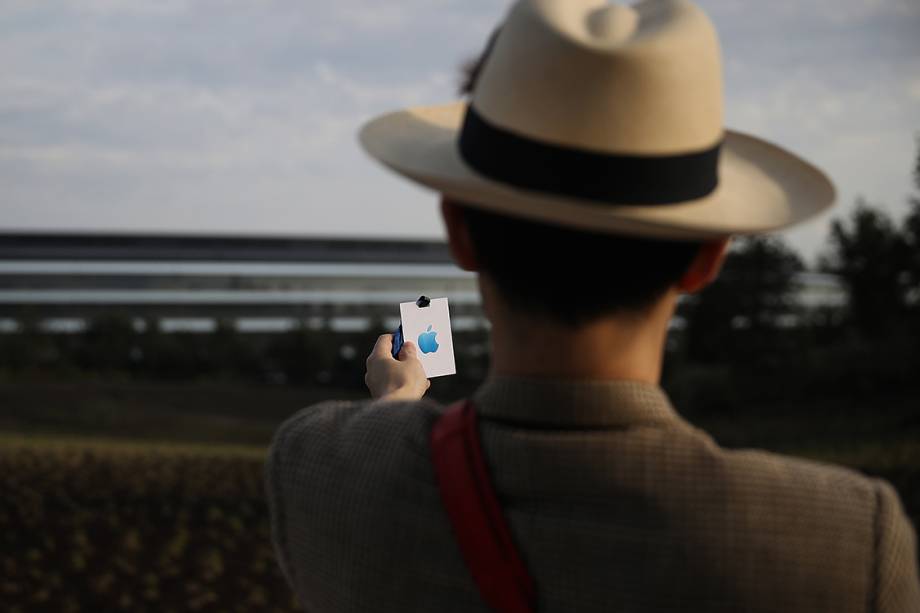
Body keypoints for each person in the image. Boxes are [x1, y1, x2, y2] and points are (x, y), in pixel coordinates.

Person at [265, 0, 920, 610]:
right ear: (707, 257)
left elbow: (378, 473)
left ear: (459, 230)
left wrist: (398, 401)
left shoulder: (316, 467)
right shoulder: (847, 543)